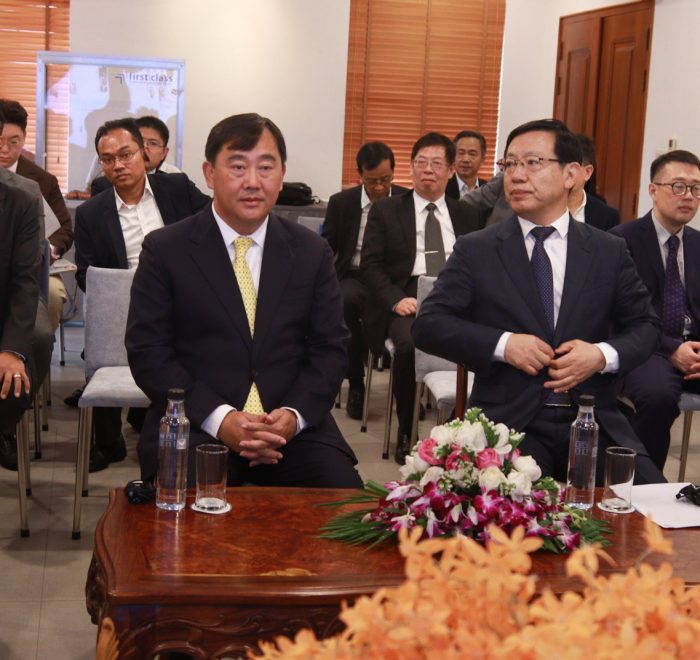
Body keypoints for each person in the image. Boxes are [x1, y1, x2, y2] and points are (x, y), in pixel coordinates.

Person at [413, 118, 665, 485]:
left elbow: (646, 326)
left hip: (593, 418)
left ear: (571, 174)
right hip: (511, 421)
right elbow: (429, 324)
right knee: (516, 512)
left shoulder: (608, 250)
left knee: (653, 507)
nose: (516, 175)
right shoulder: (477, 249)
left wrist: (600, 355)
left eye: (532, 163)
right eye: (510, 164)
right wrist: (504, 345)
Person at [126, 112, 362, 489]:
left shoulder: (311, 252)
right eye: (237, 166)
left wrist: (293, 415)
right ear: (209, 173)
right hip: (198, 423)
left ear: (282, 175)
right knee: (186, 515)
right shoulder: (165, 250)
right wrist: (222, 419)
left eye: (266, 167)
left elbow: (330, 348)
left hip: (291, 429)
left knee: (344, 505)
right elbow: (148, 352)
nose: (253, 181)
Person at [74, 117, 210, 472]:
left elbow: (212, 222)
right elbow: (86, 274)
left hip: (183, 303)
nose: (118, 165)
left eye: (126, 154)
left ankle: (190, 427)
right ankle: (107, 442)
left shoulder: (176, 188)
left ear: (144, 153)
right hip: (125, 309)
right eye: (108, 159)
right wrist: (124, 296)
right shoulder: (91, 213)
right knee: (100, 344)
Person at [360, 132, 482, 463]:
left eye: (437, 163)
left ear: (451, 170)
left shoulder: (467, 214)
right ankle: (406, 429)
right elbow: (370, 266)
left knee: (485, 342)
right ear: (411, 167)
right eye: (421, 162)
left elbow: (478, 266)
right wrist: (395, 299)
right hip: (408, 295)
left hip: (455, 294)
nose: (428, 169)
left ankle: (463, 433)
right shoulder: (386, 210)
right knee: (409, 346)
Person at [610, 150, 700, 470]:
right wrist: (672, 348)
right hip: (647, 349)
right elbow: (618, 316)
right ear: (653, 190)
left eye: (695, 188)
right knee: (657, 396)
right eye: (678, 186)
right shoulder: (620, 242)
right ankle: (644, 485)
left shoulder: (698, 243)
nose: (688, 196)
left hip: (694, 348)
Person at [322, 141, 409, 419]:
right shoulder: (342, 203)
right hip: (355, 275)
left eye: (386, 179)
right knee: (344, 300)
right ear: (360, 175)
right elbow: (327, 247)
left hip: (392, 278)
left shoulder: (406, 200)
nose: (380, 187)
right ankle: (356, 382)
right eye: (372, 181)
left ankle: (406, 392)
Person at [0, 98, 73, 330]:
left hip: (33, 267)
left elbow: (64, 228)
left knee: (52, 294)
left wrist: (48, 249)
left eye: (13, 142)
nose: (5, 149)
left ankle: (35, 351)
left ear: (24, 139)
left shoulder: (42, 181)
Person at [0, 180, 41, 471]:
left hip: (3, 317)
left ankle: (4, 429)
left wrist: (12, 350)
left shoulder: (20, 204)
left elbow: (25, 283)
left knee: (17, 373)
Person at [568, 133, 619, 230]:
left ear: (588, 172)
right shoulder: (542, 207)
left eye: (572, 167)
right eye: (561, 164)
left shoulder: (606, 216)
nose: (565, 172)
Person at [445, 130, 488, 199]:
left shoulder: (488, 190)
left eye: (472, 154)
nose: (466, 159)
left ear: (482, 159)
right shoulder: (442, 187)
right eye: (461, 153)